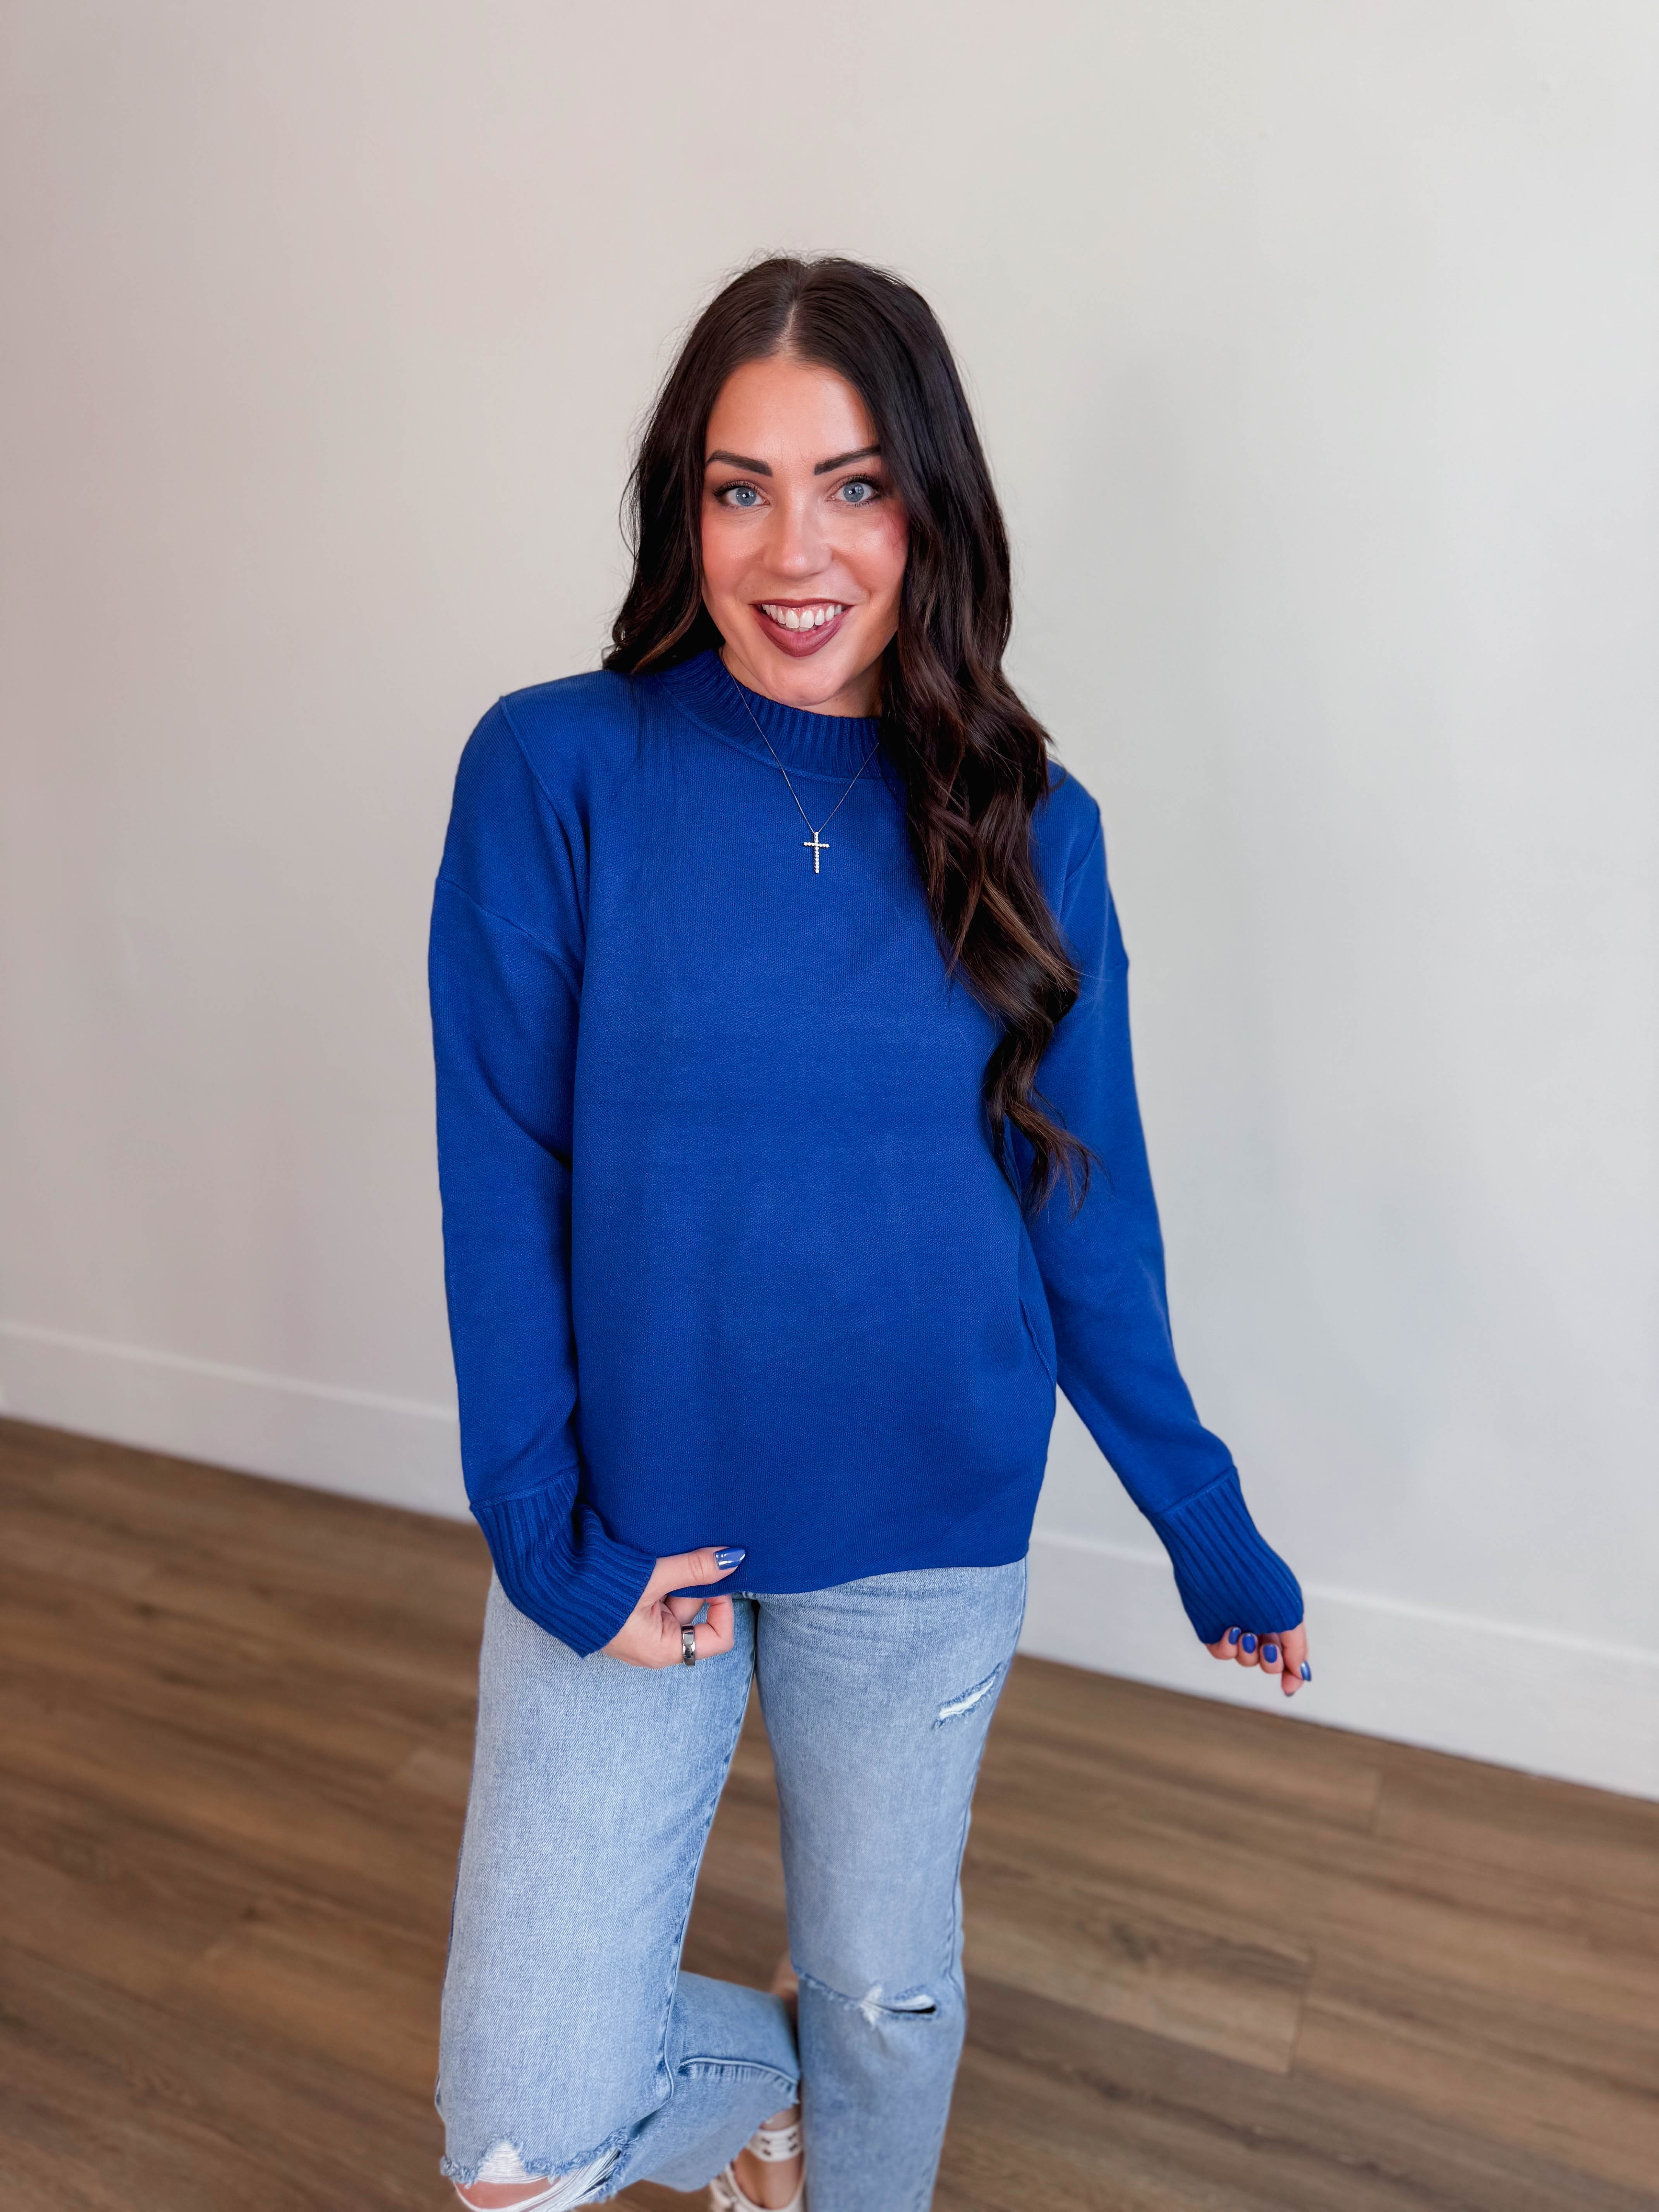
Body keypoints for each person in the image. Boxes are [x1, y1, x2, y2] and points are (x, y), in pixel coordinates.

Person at [428, 255, 1307, 2212]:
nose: (795, 552)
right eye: (740, 489)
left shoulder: (1031, 822)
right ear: (685, 509)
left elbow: (1086, 1202)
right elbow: (502, 1175)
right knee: (520, 2136)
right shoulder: (557, 771)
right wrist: (543, 1527)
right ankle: (773, 2106)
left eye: (854, 487)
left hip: (922, 1521)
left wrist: (1202, 1515)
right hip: (638, 1523)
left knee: (890, 1994)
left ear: (931, 508)